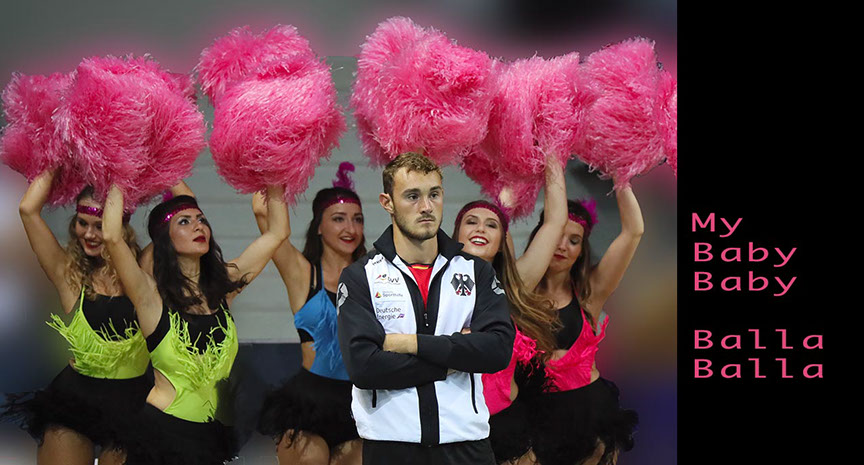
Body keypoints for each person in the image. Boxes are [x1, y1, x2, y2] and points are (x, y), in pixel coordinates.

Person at [337, 152, 515, 465]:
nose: (426, 207)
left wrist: (409, 344)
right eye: (412, 196)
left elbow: (497, 350)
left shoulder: (477, 272)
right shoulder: (361, 275)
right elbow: (364, 368)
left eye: (434, 194)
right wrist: (453, 358)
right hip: (391, 448)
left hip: (468, 447)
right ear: (387, 202)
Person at [0, 171, 188, 465]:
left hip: (132, 402)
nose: (88, 234)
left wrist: (162, 165)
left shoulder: (144, 272)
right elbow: (27, 210)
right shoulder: (69, 274)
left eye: (99, 226)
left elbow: (184, 208)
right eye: (82, 223)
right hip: (74, 401)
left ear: (119, 229)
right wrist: (55, 160)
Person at [101, 183, 289, 464]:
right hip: (159, 434)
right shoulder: (150, 296)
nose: (198, 226)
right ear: (165, 238)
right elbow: (112, 236)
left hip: (207, 437)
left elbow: (277, 233)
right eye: (185, 222)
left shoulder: (223, 289)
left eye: (201, 219)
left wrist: (277, 174)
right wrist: (119, 173)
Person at [452, 154, 568, 465]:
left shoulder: (510, 291)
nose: (481, 228)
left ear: (501, 241)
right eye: (471, 221)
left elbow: (555, 222)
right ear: (456, 234)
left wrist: (554, 151)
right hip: (455, 429)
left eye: (492, 225)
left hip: (507, 423)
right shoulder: (431, 286)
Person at [255, 162, 366, 465]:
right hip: (308, 404)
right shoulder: (302, 273)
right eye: (339, 219)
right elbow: (264, 215)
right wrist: (276, 161)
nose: (350, 229)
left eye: (357, 220)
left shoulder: (375, 277)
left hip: (360, 404)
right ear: (319, 225)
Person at [527, 185, 643, 465]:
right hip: (535, 413)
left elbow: (633, 232)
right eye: (556, 235)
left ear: (581, 250)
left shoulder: (590, 291)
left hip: (589, 412)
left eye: (574, 240)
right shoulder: (519, 289)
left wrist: (622, 174)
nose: (562, 246)